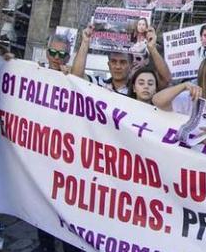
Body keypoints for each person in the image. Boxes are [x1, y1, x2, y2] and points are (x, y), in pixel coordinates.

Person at [36, 36, 82, 252]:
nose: (56, 58)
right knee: (40, 204)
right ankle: (45, 246)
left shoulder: (73, 78)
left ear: (68, 55)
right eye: (53, 53)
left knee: (64, 210)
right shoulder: (34, 72)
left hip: (66, 158)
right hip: (40, 153)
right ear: (47, 53)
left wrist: (72, 78)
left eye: (62, 54)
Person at [72, 24, 171, 96]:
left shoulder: (138, 90)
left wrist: (152, 49)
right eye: (113, 61)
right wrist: (85, 43)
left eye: (123, 62)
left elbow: (165, 80)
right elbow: (76, 77)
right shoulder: (98, 84)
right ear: (108, 64)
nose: (117, 66)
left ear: (131, 64)